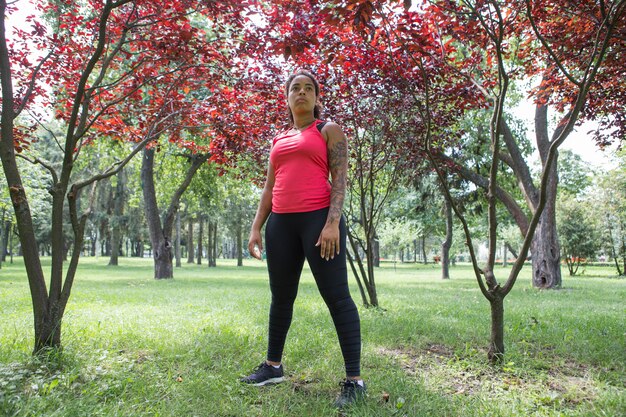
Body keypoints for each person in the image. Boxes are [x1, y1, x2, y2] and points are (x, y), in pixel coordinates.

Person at [241, 70, 365, 408]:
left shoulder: (328, 130)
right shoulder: (278, 140)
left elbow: (339, 180)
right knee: (281, 298)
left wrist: (332, 223)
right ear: (287, 96)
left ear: (316, 97)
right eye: (295, 88)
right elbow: (269, 187)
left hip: (318, 221)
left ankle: (355, 381)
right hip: (280, 224)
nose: (302, 93)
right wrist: (256, 227)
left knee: (337, 297)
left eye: (309, 88)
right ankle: (272, 366)